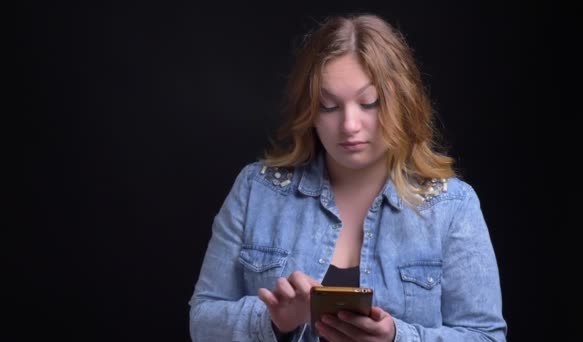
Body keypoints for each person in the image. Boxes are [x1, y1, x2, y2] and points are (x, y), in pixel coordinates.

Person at [189, 13, 507, 342]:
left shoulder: (452, 206)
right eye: (328, 106)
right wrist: (272, 321)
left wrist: (397, 338)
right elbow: (202, 320)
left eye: (369, 103)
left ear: (403, 103)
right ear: (309, 111)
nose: (350, 125)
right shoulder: (256, 190)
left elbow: (486, 337)